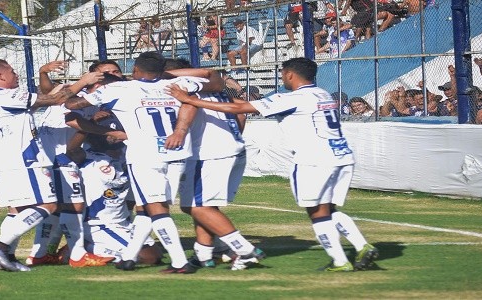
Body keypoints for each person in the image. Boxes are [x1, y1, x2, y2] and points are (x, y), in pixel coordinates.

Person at [168, 57, 379, 272]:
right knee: (329, 208)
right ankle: (362, 246)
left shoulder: (293, 98)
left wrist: (192, 101)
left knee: (317, 212)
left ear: (289, 75)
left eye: (282, 74)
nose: (281, 78)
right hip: (341, 155)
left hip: (314, 159)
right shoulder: (322, 94)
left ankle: (339, 261)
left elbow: (240, 109)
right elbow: (242, 106)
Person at [64, 51, 224, 274]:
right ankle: (129, 257)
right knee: (146, 209)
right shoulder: (178, 83)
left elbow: (72, 105)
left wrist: (83, 84)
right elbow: (216, 79)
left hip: (145, 156)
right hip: (177, 153)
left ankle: (179, 261)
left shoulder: (119, 89)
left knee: (156, 210)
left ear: (136, 70)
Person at [0, 58, 87, 272]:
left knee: (18, 210)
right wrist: (85, 80)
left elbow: (31, 109)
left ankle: (5, 258)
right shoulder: (5, 95)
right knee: (48, 205)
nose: (16, 74)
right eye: (12, 71)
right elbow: (55, 99)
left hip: (1, 159)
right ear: (0, 76)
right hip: (22, 160)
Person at [164, 59, 266, 271]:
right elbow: (240, 111)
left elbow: (188, 104)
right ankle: (204, 254)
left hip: (211, 153)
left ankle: (245, 250)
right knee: (203, 206)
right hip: (232, 149)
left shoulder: (183, 83)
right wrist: (232, 137)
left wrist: (180, 131)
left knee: (194, 206)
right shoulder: (212, 85)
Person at [27, 61, 120, 268]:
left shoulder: (102, 102)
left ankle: (39, 253)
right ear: (93, 80)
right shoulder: (71, 93)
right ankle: (77, 256)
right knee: (73, 204)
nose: (110, 80)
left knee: (58, 208)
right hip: (56, 155)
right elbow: (59, 100)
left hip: (59, 156)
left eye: (115, 73)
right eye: (104, 77)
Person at [64, 112, 163, 266]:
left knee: (156, 254)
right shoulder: (87, 157)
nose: (111, 137)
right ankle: (84, 248)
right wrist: (89, 124)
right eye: (106, 132)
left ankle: (89, 247)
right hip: (99, 224)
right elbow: (71, 149)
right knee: (149, 258)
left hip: (123, 223)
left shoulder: (128, 154)